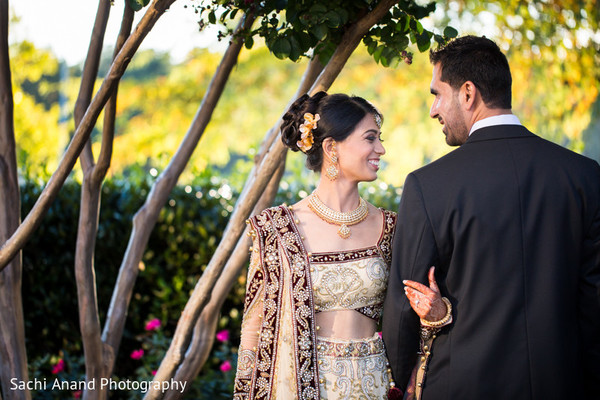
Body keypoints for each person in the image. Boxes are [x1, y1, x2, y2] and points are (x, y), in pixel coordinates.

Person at [382, 35, 600, 400]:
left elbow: (404, 305)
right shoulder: (583, 175)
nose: (433, 110)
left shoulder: (428, 185)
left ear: (468, 93)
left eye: (437, 94)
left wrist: (396, 383)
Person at [233, 92, 449, 399]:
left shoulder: (392, 228)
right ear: (331, 147)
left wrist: (435, 313)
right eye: (370, 138)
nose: (381, 149)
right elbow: (254, 337)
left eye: (379, 138)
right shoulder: (278, 230)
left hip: (376, 386)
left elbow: (412, 319)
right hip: (302, 389)